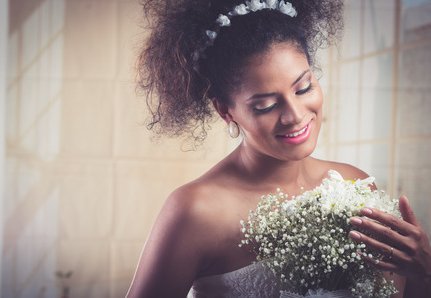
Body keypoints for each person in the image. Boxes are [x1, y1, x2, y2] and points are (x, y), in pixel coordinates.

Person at [126, 0, 431, 297]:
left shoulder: (355, 184)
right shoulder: (195, 211)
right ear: (225, 111)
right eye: (265, 105)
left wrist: (424, 271)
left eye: (304, 88)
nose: (295, 115)